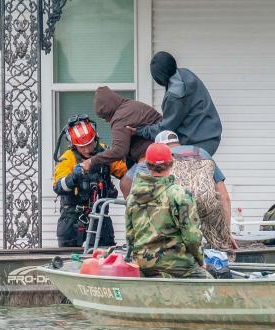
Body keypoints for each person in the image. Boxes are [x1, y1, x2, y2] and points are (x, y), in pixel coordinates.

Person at [125, 143, 212, 278]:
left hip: (144, 264)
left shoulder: (133, 197)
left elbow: (130, 236)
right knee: (211, 287)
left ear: (147, 165)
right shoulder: (179, 194)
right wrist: (201, 261)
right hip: (178, 264)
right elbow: (192, 237)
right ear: (171, 163)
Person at [155, 130, 238, 250]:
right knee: (221, 248)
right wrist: (225, 233)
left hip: (180, 206)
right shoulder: (203, 153)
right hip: (207, 203)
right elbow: (224, 196)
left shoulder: (162, 158)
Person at [53, 115, 127, 247]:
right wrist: (73, 178)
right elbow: (58, 187)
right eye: (82, 147)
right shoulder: (68, 158)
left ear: (95, 138)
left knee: (103, 260)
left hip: (100, 220)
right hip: (72, 222)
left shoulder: (105, 153)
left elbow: (124, 172)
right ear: (74, 145)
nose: (87, 150)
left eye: (89, 144)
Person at [128, 51, 222, 156]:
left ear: (159, 77)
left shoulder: (175, 96)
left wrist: (139, 131)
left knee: (181, 170)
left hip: (197, 143)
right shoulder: (186, 73)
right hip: (211, 134)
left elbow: (165, 129)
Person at [79, 86, 162, 198]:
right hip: (165, 153)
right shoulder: (130, 106)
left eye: (104, 117)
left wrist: (91, 162)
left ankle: (138, 214)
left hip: (153, 157)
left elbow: (119, 151)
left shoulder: (120, 118)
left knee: (127, 184)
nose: (106, 120)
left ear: (107, 110)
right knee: (127, 183)